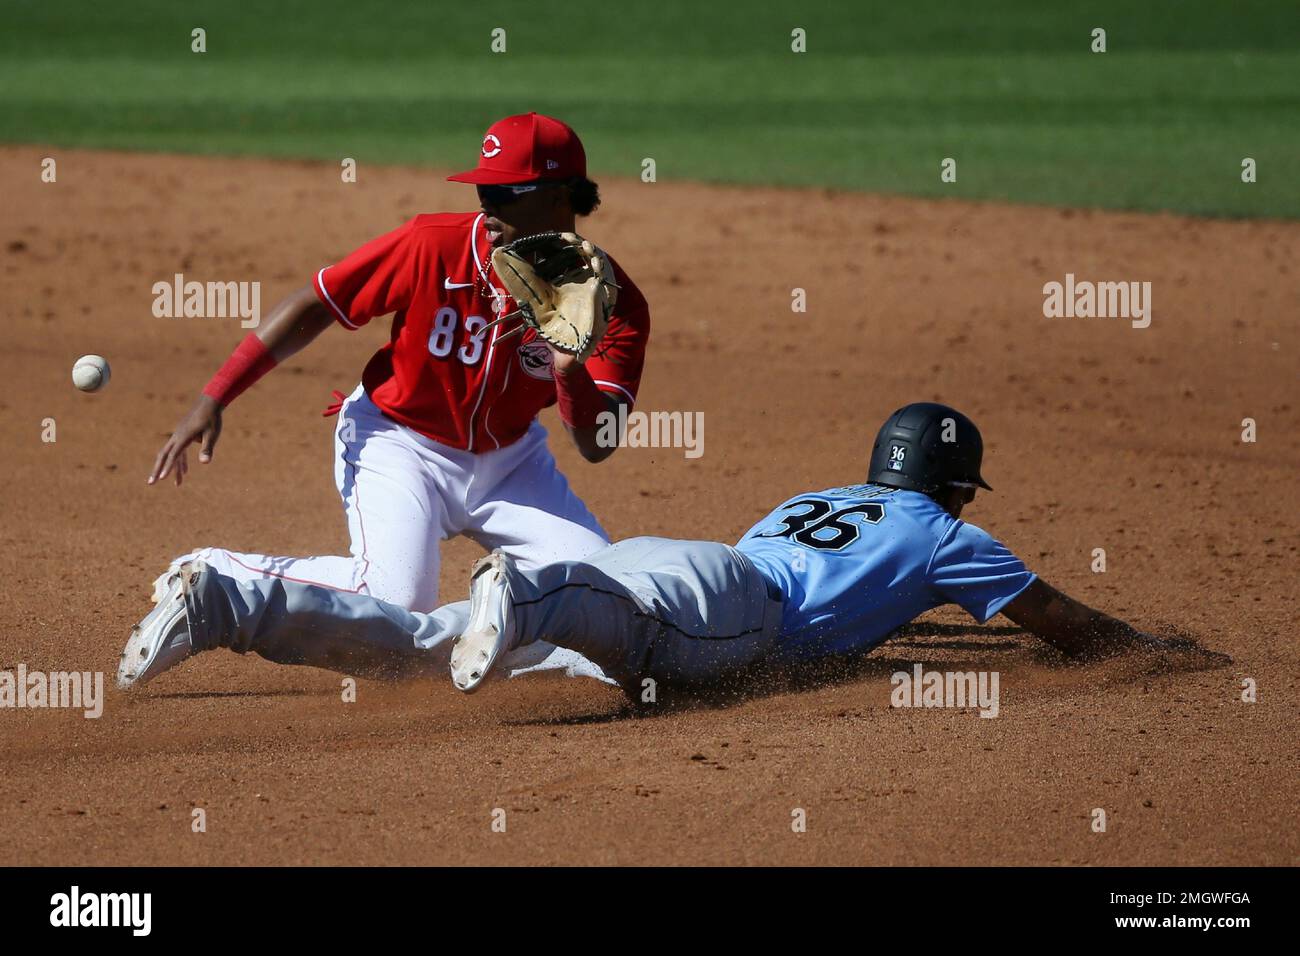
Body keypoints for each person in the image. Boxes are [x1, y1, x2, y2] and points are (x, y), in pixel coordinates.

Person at [116, 403, 1226, 692]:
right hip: (724, 606)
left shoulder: (826, 496)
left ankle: (230, 602)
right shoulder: (949, 532)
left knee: (427, 644)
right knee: (611, 629)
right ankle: (535, 591)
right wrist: (1153, 648)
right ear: (948, 483)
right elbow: (1059, 623)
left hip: (677, 558)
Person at [121, 112, 651, 687]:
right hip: (397, 441)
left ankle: (497, 623)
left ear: (559, 196)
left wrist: (570, 374)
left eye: (505, 191)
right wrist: (215, 395)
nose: (487, 204)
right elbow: (317, 303)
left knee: (603, 585)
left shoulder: (612, 302)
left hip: (511, 462)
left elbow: (598, 444)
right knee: (397, 599)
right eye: (483, 188)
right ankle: (215, 579)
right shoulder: (433, 245)